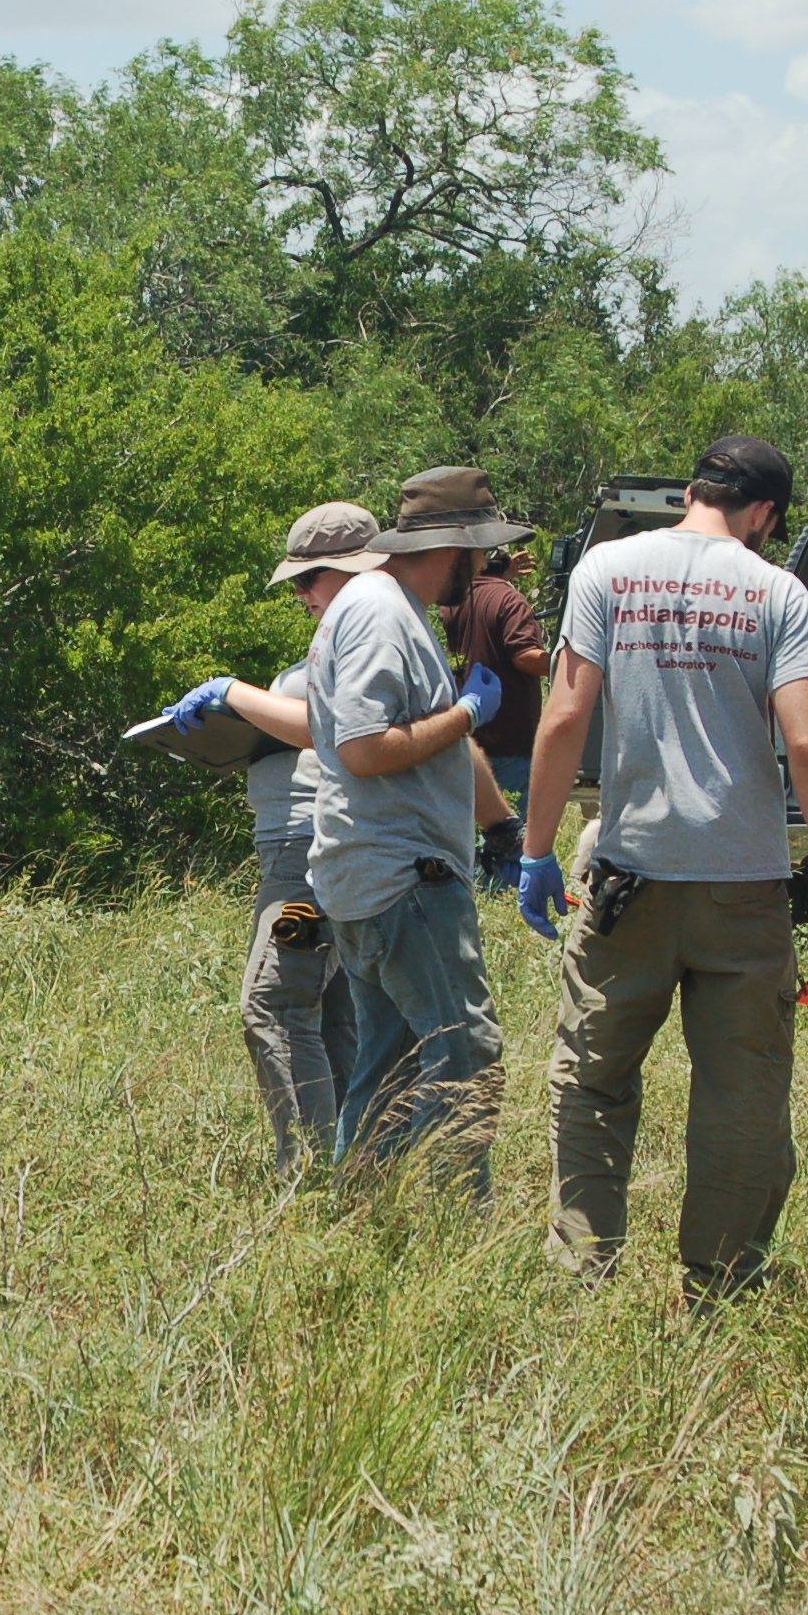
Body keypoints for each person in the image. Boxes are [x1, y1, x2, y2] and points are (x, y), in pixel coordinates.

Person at [513, 434, 808, 1303]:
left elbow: (565, 717)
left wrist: (534, 851)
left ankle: (582, 1272)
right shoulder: (776, 592)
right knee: (740, 1097)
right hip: (740, 888)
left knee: (594, 1079)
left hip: (627, 877)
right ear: (766, 515)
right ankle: (719, 1286)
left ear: (691, 490)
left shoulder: (607, 572)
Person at [304, 466, 535, 1186]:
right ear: (458, 544)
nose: (487, 567)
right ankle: (457, 1230)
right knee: (468, 1053)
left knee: (391, 1066)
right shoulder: (380, 609)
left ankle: (358, 1216)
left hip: (369, 877)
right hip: (404, 879)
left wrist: (502, 832)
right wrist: (466, 714)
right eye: (482, 551)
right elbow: (365, 748)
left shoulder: (381, 603)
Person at [159, 503, 378, 1171]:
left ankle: (309, 1174)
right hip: (311, 847)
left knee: (274, 1008)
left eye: (312, 578)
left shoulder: (362, 641)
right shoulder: (354, 640)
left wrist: (236, 696)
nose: (303, 595)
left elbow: (328, 725)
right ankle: (357, 1168)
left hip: (308, 852)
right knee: (332, 1014)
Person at [440, 546, 551, 812]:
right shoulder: (510, 600)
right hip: (510, 739)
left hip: (469, 734)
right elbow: (524, 655)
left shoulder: (452, 602)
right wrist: (571, 663)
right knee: (511, 832)